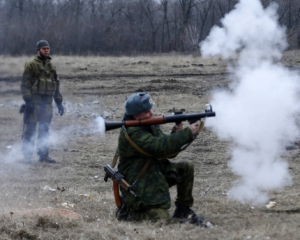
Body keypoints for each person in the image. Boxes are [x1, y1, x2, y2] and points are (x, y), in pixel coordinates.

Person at [117, 92, 205, 224]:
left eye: (151, 109)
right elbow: (159, 147)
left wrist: (175, 133)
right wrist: (187, 133)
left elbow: (166, 151)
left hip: (154, 173)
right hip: (138, 182)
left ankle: (183, 209)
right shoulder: (132, 132)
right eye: (147, 111)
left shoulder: (147, 124)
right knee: (161, 219)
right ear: (136, 115)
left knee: (186, 167)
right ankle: (129, 211)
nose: (152, 113)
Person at [20, 40, 64, 164]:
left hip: (47, 104)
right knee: (30, 130)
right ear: (38, 50)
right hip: (34, 103)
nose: (46, 50)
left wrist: (59, 102)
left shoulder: (52, 66)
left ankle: (43, 155)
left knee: (45, 130)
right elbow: (25, 84)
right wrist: (28, 100)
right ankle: (27, 157)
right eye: (44, 48)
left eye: (48, 48)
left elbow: (56, 85)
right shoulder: (31, 65)